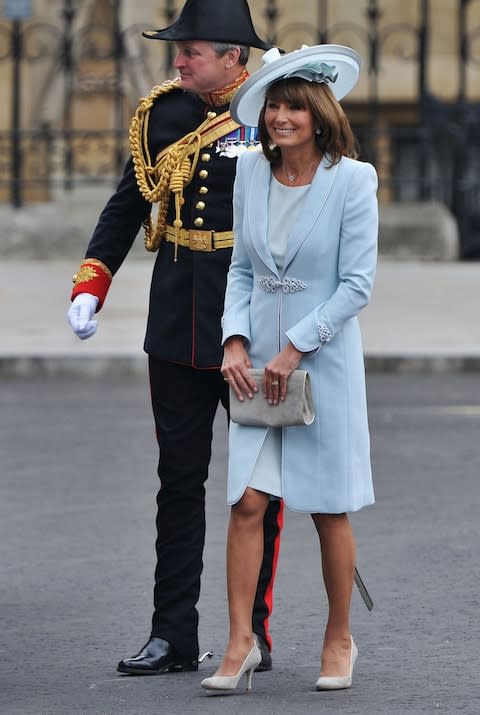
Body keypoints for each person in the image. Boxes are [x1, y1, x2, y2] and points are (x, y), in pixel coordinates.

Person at [66, 0, 284, 675]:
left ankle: (254, 630)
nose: (178, 59)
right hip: (176, 320)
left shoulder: (275, 110)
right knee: (178, 481)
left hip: (250, 320)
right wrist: (90, 282)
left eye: (191, 49)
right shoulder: (163, 113)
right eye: (179, 48)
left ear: (232, 57)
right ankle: (172, 634)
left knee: (258, 485)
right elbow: (129, 202)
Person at [200, 44, 378, 693]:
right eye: (274, 105)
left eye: (294, 107)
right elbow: (242, 270)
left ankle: (339, 637)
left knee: (328, 507)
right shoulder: (249, 174)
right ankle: (240, 640)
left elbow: (357, 285)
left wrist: (296, 344)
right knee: (246, 501)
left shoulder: (353, 181)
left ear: (318, 114)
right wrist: (235, 342)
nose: (280, 117)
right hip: (255, 370)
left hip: (321, 364)